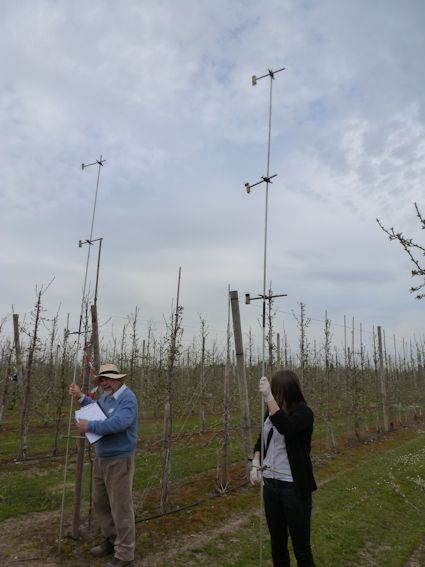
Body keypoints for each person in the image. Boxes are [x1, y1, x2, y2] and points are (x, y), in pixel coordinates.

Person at [69, 363, 138, 567]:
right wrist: (81, 397)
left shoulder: (128, 399)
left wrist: (88, 426)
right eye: (102, 379)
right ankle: (111, 540)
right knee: (101, 503)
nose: (104, 382)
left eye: (108, 378)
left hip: (119, 459)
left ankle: (125, 555)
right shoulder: (107, 396)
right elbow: (98, 412)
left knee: (121, 507)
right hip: (102, 458)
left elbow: (118, 423)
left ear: (119, 378)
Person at [250, 369, 316, 567]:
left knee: (301, 548)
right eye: (273, 391)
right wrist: (255, 463)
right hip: (270, 486)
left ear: (289, 391)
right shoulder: (270, 414)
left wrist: (269, 399)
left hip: (293, 488)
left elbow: (286, 427)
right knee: (277, 544)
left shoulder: (304, 413)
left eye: (277, 391)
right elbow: (261, 441)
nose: (275, 395)